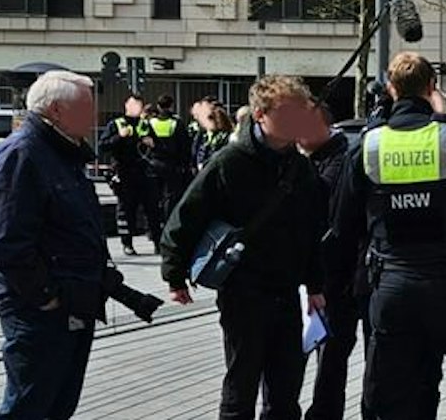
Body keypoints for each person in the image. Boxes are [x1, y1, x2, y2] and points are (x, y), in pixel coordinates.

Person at [326, 51, 446, 420]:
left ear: (390, 88)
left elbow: (341, 230)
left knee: (399, 397)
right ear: (432, 87)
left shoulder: (367, 147)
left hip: (391, 291)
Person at [161, 75, 327, 420]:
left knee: (285, 389)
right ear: (260, 114)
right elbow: (186, 217)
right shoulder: (229, 162)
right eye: (289, 112)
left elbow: (312, 230)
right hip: (243, 291)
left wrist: (315, 286)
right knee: (242, 384)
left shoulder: (300, 167)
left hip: (285, 292)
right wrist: (174, 275)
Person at [0, 70, 107, 420]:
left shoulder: (64, 154)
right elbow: (3, 240)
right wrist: (46, 296)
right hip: (40, 309)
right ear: (55, 110)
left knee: (57, 403)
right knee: (29, 405)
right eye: (86, 108)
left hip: (72, 300)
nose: (94, 117)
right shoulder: (22, 154)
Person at [301, 101, 362, 420]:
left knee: (331, 357)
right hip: (316, 277)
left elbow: (329, 221)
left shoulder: (339, 162)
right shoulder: (314, 159)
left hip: (336, 280)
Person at [101, 95, 161, 257]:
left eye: (139, 105)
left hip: (143, 171)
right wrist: (119, 137)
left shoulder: (145, 124)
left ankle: (157, 242)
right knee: (126, 210)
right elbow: (103, 146)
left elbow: (158, 147)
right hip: (124, 171)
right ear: (126, 106)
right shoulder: (116, 124)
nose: (136, 108)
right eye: (133, 105)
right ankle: (127, 243)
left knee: (152, 209)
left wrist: (152, 143)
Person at [143, 97, 194, 210]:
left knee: (153, 196)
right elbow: (184, 145)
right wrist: (185, 164)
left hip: (153, 162)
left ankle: (153, 224)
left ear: (158, 106)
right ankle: (167, 222)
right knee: (170, 196)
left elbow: (143, 142)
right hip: (172, 164)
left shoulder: (151, 122)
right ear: (171, 106)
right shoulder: (176, 123)